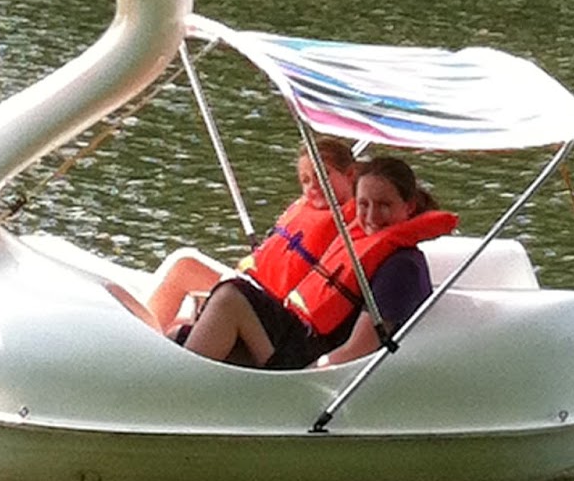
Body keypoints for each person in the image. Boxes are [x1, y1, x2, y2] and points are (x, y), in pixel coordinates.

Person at [180, 156, 457, 369]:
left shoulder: (401, 268)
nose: (372, 216)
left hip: (308, 360)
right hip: (299, 336)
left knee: (231, 297)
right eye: (363, 204)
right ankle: (177, 375)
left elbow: (358, 350)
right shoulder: (358, 239)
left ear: (409, 206)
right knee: (180, 334)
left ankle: (178, 389)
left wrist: (305, 380)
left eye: (384, 205)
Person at [141, 137, 359, 335]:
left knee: (184, 265)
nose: (313, 186)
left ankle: (140, 337)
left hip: (270, 307)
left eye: (323, 174)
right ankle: (150, 332)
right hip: (251, 287)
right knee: (176, 313)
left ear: (350, 174)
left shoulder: (351, 222)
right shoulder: (309, 209)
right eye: (305, 180)